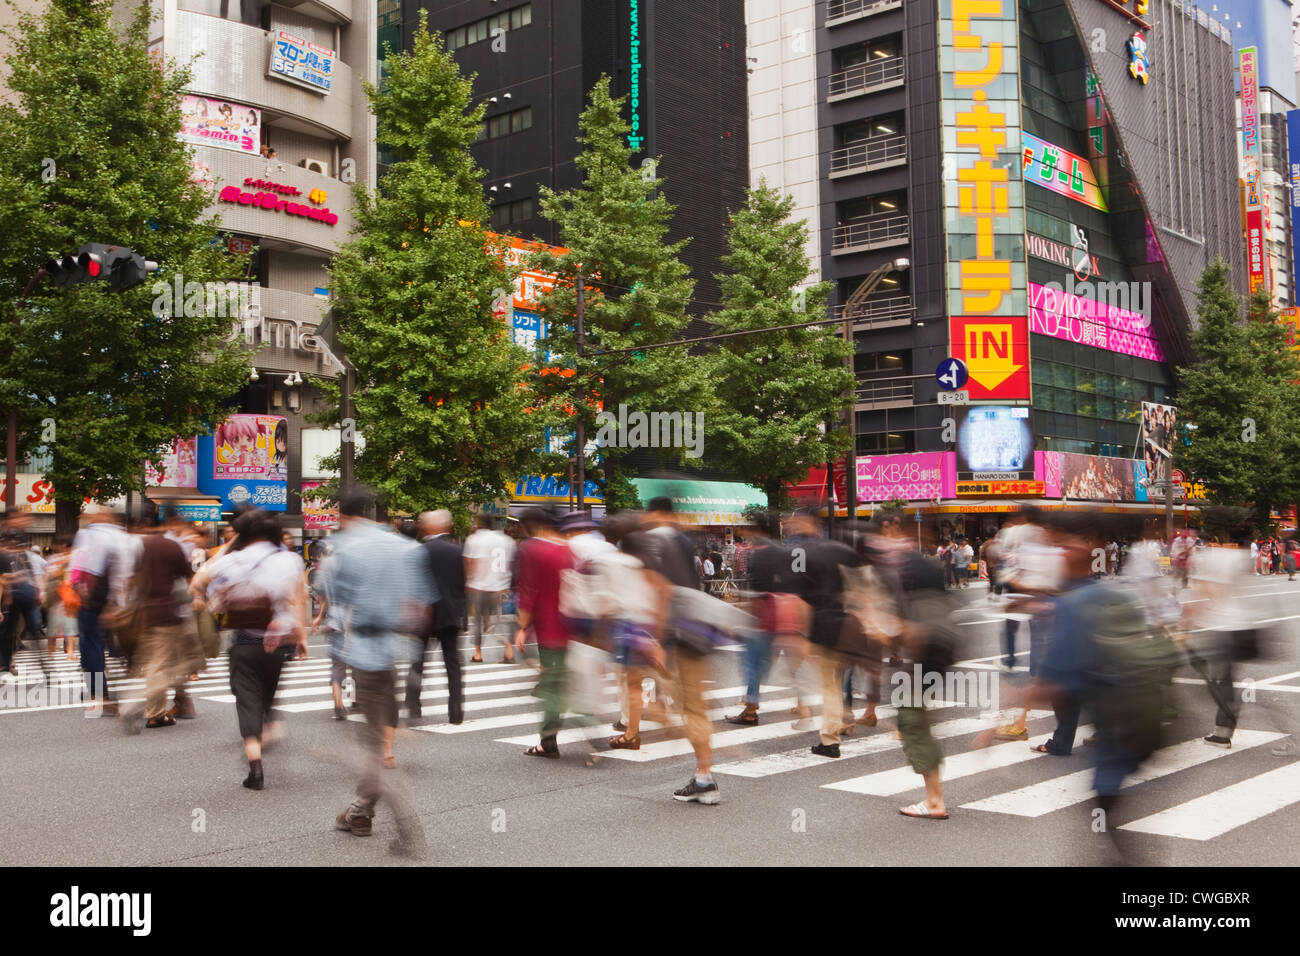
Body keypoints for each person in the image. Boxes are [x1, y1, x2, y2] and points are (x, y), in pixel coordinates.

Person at [324, 488, 433, 854]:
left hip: (364, 650)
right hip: (398, 646)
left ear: (342, 515)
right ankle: (359, 810)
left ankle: (407, 827)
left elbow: (333, 602)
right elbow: (421, 604)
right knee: (380, 733)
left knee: (371, 745)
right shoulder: (404, 546)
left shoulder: (343, 548)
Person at [200, 509, 307, 790]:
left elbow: (198, 582)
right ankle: (271, 725)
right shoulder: (290, 560)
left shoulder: (231, 559)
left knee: (247, 701)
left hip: (244, 641)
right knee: (268, 696)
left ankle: (255, 766)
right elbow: (297, 600)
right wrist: (301, 636)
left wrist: (230, 549)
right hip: (278, 643)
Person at [630, 497, 717, 802]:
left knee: (684, 705)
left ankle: (704, 777)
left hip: (675, 637)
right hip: (697, 631)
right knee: (693, 706)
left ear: (656, 513)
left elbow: (661, 592)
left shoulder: (652, 543)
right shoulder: (683, 540)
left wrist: (655, 639)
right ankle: (703, 774)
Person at [784, 510, 862, 759]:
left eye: (796, 521)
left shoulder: (800, 553)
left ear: (807, 522)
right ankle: (843, 719)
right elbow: (861, 584)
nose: (792, 526)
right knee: (837, 681)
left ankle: (829, 740)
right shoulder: (840, 549)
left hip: (823, 625)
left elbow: (802, 598)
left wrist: (803, 635)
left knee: (829, 685)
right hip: (846, 623)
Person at [513, 508, 577, 759]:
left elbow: (528, 590)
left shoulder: (531, 549)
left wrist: (522, 627)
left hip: (549, 628)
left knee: (551, 685)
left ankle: (548, 741)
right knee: (558, 682)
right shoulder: (566, 548)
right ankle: (550, 737)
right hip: (571, 625)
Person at [129, 515, 198, 729]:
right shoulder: (171, 546)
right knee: (164, 663)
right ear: (167, 523)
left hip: (142, 613)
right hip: (167, 612)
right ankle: (150, 711)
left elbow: (131, 579)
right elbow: (188, 577)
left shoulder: (137, 546)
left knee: (154, 662)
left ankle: (162, 708)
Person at [70, 512, 139, 713]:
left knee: (90, 644)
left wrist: (78, 589)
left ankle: (99, 694)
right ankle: (109, 688)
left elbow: (80, 565)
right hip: (118, 599)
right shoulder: (123, 537)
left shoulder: (89, 535)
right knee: (106, 644)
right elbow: (124, 572)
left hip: (94, 598)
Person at [408, 510, 465, 724]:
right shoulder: (456, 551)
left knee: (418, 662)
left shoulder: (421, 551)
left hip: (425, 614)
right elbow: (461, 585)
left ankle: (413, 704)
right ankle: (456, 709)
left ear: (429, 527)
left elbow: (414, 585)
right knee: (452, 663)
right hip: (451, 613)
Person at [462, 514, 516, 663]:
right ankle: (508, 650)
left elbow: (470, 562)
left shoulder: (473, 539)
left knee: (477, 621)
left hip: (479, 587)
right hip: (500, 587)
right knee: (501, 620)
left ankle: (478, 653)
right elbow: (510, 565)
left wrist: (467, 581)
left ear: (478, 524)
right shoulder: (507, 540)